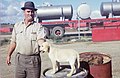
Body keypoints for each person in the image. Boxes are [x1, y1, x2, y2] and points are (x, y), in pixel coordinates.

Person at [6, 1, 46, 78]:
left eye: (32, 12)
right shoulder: (17, 26)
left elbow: (40, 39)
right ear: (24, 12)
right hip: (19, 60)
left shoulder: (38, 27)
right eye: (28, 11)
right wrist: (9, 55)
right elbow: (13, 42)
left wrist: (43, 45)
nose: (30, 13)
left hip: (33, 60)